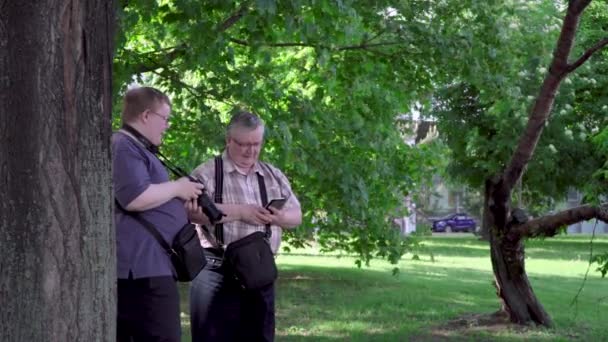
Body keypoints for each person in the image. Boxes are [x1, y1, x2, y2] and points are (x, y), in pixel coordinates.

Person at [188, 111, 302, 341]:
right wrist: (242, 211)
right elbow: (192, 214)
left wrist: (277, 217)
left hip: (260, 271)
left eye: (256, 144)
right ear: (229, 140)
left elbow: (297, 216)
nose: (251, 151)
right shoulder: (206, 173)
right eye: (243, 144)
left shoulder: (273, 175)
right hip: (217, 271)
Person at [113, 86, 204, 341]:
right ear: (145, 115)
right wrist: (178, 187)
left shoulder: (137, 148)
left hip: (152, 266)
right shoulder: (123, 145)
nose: (166, 126)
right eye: (164, 118)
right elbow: (134, 198)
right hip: (141, 270)